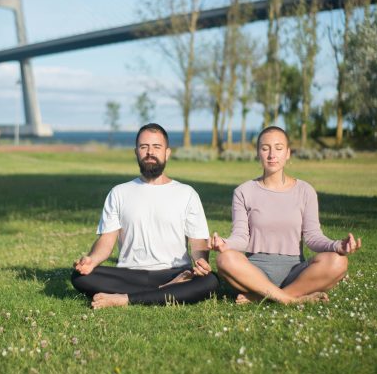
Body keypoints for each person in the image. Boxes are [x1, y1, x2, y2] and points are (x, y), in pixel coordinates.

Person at [71, 123, 219, 309]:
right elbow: (106, 241)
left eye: (156, 147)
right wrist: (91, 260)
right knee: (79, 276)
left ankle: (124, 299)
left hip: (175, 272)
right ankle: (165, 291)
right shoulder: (119, 192)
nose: (150, 152)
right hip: (130, 274)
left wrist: (201, 262)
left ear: (167, 153)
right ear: (136, 152)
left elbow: (198, 243)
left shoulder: (187, 193)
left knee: (210, 281)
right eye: (144, 147)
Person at [211, 126, 361, 305]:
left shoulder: (305, 191)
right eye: (265, 148)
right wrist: (225, 244)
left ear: (288, 153)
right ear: (258, 153)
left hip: (295, 272)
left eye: (278, 148)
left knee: (339, 263)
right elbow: (241, 238)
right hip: (255, 272)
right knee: (225, 259)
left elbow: (313, 237)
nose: (272, 154)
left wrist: (337, 246)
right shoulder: (243, 192)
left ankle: (263, 296)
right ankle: (290, 299)